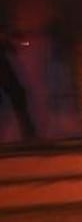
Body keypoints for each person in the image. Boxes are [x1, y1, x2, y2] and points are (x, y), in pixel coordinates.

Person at [0, 9, 37, 141]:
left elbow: (13, 45)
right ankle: (28, 134)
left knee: (18, 96)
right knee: (17, 95)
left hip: (4, 69)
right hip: (3, 70)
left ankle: (29, 134)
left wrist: (17, 41)